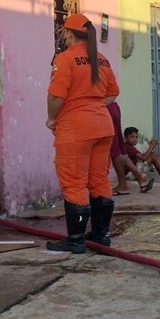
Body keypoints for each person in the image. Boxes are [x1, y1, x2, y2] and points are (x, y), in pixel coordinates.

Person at [46, 13, 119, 252]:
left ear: (68, 33)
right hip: (102, 126)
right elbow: (112, 93)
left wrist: (52, 118)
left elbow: (56, 96)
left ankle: (75, 240)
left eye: (64, 34)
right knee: (99, 179)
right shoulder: (102, 60)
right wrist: (93, 104)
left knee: (74, 183)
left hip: (76, 129)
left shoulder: (65, 59)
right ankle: (100, 235)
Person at [107, 101, 153, 196]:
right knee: (119, 149)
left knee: (115, 150)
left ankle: (124, 185)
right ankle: (139, 176)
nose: (135, 139)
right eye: (132, 137)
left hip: (105, 108)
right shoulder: (129, 147)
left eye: (136, 137)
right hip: (112, 107)